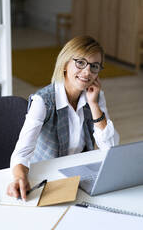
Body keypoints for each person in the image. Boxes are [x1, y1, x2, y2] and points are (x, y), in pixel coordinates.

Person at [7, 35, 119, 200]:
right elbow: (22, 152)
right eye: (80, 62)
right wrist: (19, 178)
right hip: (49, 179)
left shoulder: (95, 97)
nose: (87, 72)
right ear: (65, 63)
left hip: (81, 178)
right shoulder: (43, 101)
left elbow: (111, 149)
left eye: (94, 66)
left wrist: (94, 106)